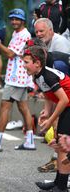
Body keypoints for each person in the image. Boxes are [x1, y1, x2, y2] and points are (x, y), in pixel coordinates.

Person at [23, 45, 70, 192]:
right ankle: (58, 182)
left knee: (63, 144)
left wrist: (51, 120)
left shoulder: (47, 75)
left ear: (37, 63)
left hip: (68, 105)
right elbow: (50, 94)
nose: (24, 65)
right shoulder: (37, 76)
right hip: (67, 105)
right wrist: (47, 111)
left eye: (26, 62)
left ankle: (62, 188)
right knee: (59, 143)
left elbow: (63, 100)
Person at [0, 8, 34, 152]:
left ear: (23, 21)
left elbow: (9, 53)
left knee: (4, 109)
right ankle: (30, 141)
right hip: (20, 77)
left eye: (17, 19)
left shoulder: (23, 35)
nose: (14, 21)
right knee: (24, 108)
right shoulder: (18, 33)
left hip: (15, 78)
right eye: (12, 19)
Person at [34, 17, 70, 172]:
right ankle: (58, 165)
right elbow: (49, 87)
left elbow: (59, 84)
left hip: (66, 93)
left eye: (42, 31)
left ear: (51, 30)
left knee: (63, 136)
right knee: (61, 137)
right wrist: (47, 111)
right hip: (63, 93)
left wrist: (51, 117)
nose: (39, 34)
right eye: (36, 32)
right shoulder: (44, 48)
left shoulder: (59, 44)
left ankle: (62, 171)